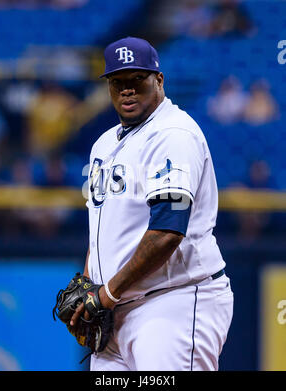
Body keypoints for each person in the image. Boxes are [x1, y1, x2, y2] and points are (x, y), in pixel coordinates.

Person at [70, 36, 234, 371]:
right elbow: (100, 227)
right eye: (118, 82)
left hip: (173, 303)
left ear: (159, 80)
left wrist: (105, 295)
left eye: (137, 81)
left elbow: (167, 232)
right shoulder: (103, 144)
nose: (127, 90)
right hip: (116, 312)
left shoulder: (173, 134)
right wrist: (89, 288)